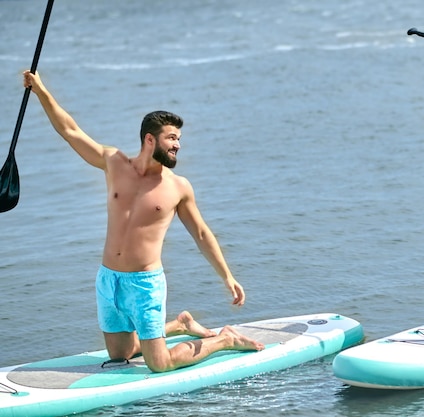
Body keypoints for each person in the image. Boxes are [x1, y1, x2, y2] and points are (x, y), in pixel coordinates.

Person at [23, 71, 264, 372]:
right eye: (172, 138)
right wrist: (40, 90)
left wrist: (227, 276)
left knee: (158, 364)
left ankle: (224, 340)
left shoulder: (178, 187)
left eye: (179, 139)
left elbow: (201, 233)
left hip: (145, 284)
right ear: (150, 139)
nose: (178, 145)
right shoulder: (114, 163)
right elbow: (70, 130)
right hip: (108, 280)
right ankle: (180, 324)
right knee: (120, 356)